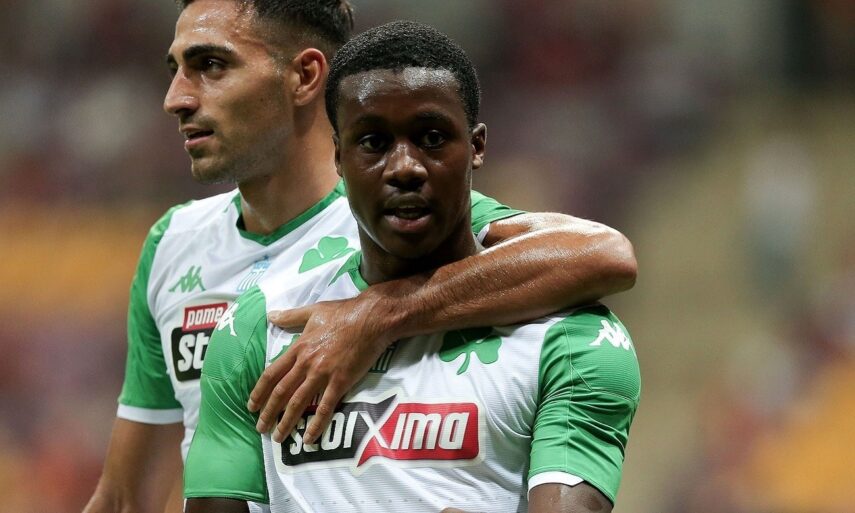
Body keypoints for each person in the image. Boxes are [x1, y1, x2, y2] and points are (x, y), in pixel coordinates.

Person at [83, 1, 637, 512]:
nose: (176, 98)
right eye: (176, 68)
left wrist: (377, 312)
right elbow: (126, 495)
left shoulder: (404, 218)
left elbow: (603, 255)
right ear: (342, 153)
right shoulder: (174, 244)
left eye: (211, 65)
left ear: (305, 75)